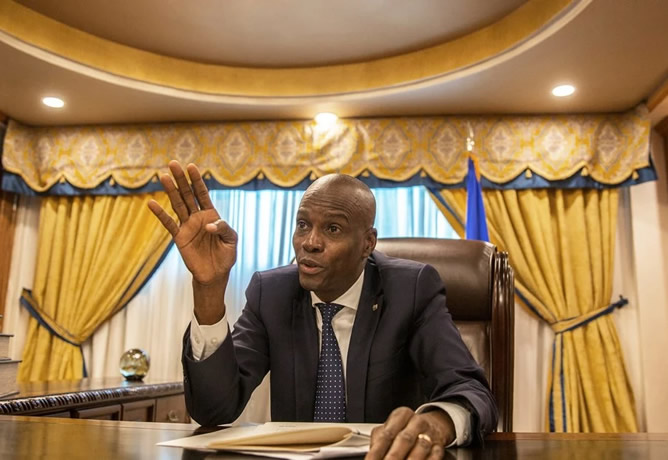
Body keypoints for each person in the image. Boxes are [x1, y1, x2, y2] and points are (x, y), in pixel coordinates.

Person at [148, 161, 497, 459]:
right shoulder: (272, 293)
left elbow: (471, 390)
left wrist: (437, 423)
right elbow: (213, 409)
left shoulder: (410, 290)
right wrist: (209, 288)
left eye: (332, 228)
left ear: (368, 243)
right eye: (303, 224)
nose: (310, 242)